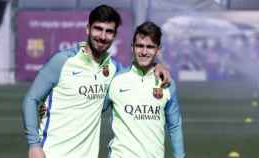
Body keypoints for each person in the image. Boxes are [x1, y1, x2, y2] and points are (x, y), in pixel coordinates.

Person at [22, 5, 171, 158]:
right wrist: (34, 145)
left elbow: (136, 74)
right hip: (51, 153)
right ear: (88, 29)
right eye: (98, 29)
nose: (102, 36)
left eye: (109, 31)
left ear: (114, 35)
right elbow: (31, 99)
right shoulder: (62, 61)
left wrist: (157, 65)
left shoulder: (114, 69)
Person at [104, 21, 185, 158]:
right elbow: (92, 112)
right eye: (140, 46)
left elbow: (174, 126)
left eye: (150, 47)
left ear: (158, 50)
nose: (144, 52)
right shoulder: (115, 80)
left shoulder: (166, 83)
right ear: (132, 48)